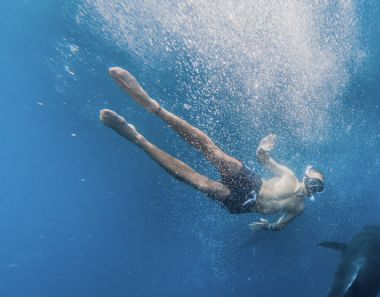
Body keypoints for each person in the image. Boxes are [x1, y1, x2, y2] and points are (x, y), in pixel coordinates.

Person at [99, 67, 325, 231]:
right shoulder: (288, 174)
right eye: (313, 180)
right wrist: (263, 147)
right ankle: (153, 106)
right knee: (212, 151)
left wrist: (269, 226)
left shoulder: (299, 209)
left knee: (198, 181)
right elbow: (263, 159)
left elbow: (281, 225)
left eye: (318, 187)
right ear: (306, 175)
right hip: (253, 182)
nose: (313, 186)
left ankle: (137, 138)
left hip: (244, 205)